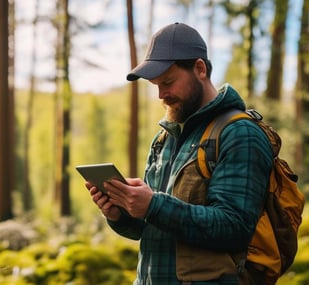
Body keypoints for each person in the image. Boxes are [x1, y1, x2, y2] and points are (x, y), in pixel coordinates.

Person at [85, 22, 274, 284]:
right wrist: (120, 213)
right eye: (156, 85)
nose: (162, 94)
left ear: (200, 69)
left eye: (169, 82)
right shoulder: (163, 139)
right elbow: (150, 227)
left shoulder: (240, 133)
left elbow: (235, 228)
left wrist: (153, 204)